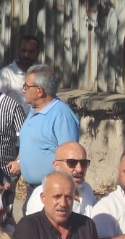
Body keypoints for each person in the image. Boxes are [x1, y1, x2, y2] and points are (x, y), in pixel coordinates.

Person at [14, 64, 80, 192]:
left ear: (39, 91)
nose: (23, 91)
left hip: (53, 190)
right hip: (33, 189)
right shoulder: (33, 110)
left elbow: (69, 159)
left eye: (26, 87)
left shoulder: (62, 116)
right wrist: (19, 161)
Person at [0, 30, 43, 101]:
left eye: (31, 52)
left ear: (37, 53)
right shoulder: (6, 74)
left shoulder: (40, 74)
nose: (26, 55)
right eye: (23, 51)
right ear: (18, 51)